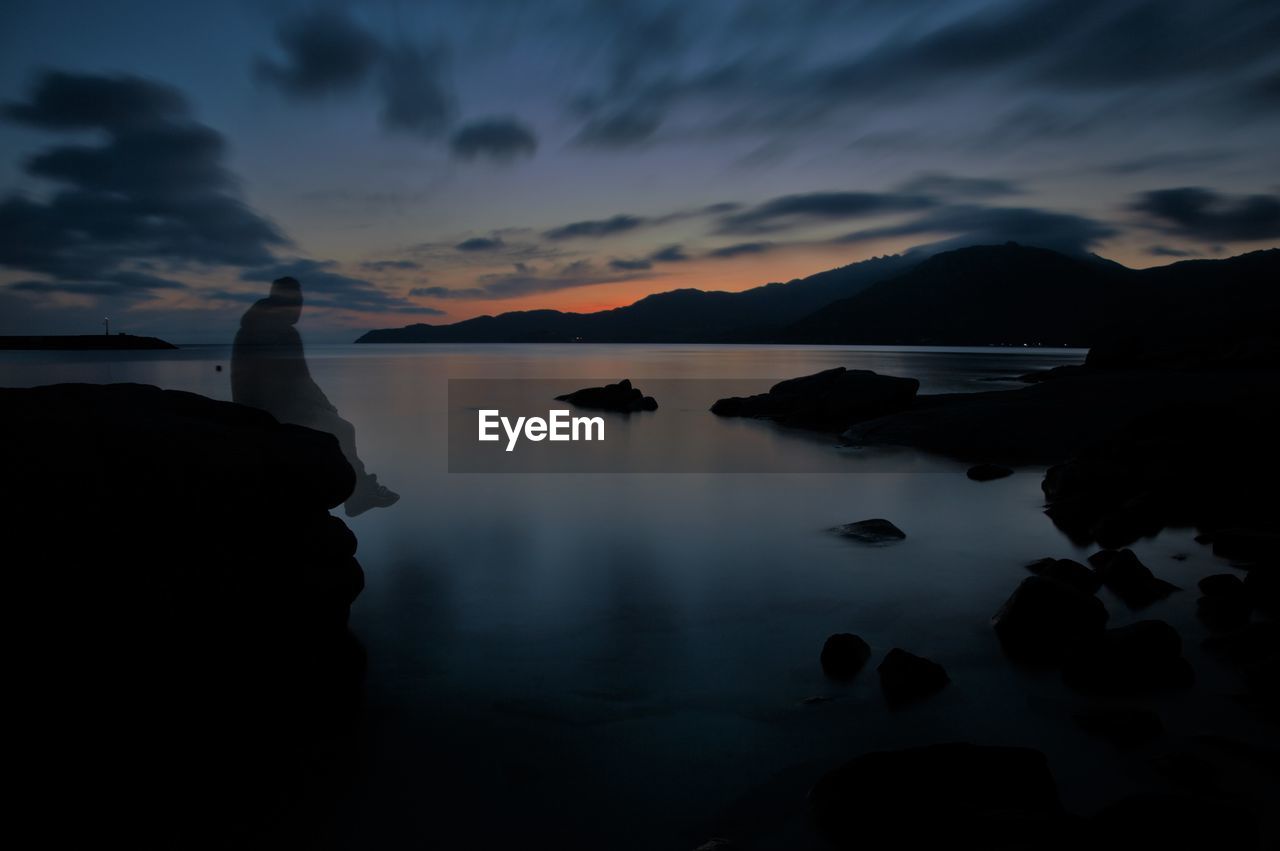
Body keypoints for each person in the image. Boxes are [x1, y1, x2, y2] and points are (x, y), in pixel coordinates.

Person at [231, 276, 399, 516]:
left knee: (336, 427)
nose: (298, 309)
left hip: (255, 406)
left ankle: (355, 490)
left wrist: (322, 406)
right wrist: (324, 408)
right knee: (343, 430)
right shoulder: (282, 333)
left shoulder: (250, 328)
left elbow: (294, 381)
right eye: (294, 302)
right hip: (273, 411)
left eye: (299, 302)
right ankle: (358, 494)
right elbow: (299, 382)